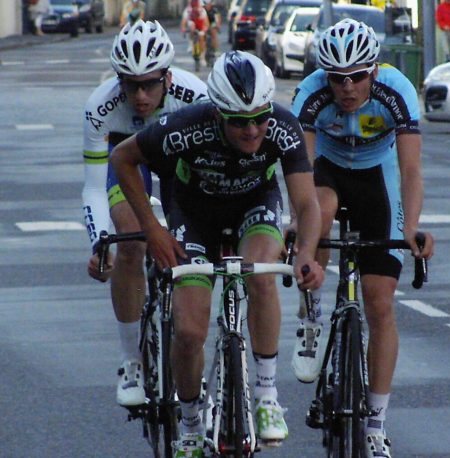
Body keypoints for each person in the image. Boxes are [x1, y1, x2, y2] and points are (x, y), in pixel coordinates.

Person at [110, 51, 325, 457]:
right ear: (217, 114)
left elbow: (307, 204)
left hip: (253, 206)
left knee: (260, 275)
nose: (252, 130)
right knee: (189, 331)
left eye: (260, 118)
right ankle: (190, 424)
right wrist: (153, 230)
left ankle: (265, 395)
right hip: (193, 214)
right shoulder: (183, 127)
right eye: (240, 122)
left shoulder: (282, 126)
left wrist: (307, 255)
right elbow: (122, 158)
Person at [291, 19, 434, 458]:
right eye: (337, 78)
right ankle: (312, 309)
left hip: (378, 175)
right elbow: (300, 171)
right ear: (325, 76)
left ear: (374, 71)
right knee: (323, 206)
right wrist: (299, 232)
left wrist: (410, 228)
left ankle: (375, 423)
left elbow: (410, 170)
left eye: (356, 76)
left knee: (378, 303)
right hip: (329, 172)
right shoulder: (311, 94)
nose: (347, 87)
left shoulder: (397, 89)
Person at [82, 19, 208, 408]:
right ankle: (131, 362)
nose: (139, 95)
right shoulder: (100, 107)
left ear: (167, 78)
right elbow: (92, 186)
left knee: (192, 238)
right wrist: (100, 241)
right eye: (130, 84)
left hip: (176, 159)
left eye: (150, 84)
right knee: (132, 241)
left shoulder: (196, 95)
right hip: (127, 160)